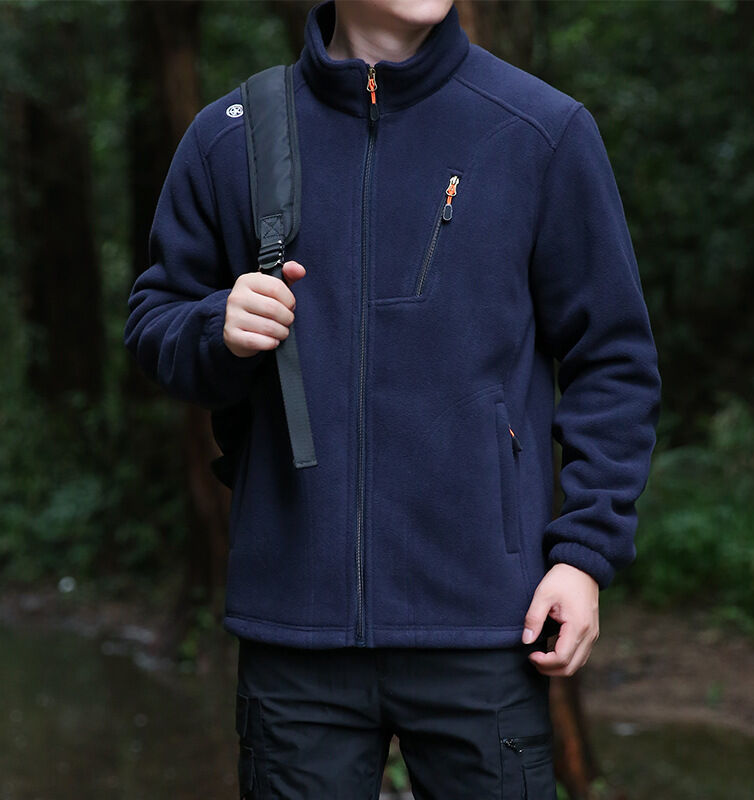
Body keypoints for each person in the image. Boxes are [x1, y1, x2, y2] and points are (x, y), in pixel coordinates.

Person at [123, 0, 662, 797]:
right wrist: (216, 326)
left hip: (486, 624)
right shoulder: (230, 136)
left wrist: (584, 555)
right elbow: (153, 323)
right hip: (295, 630)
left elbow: (613, 360)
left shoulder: (541, 130)